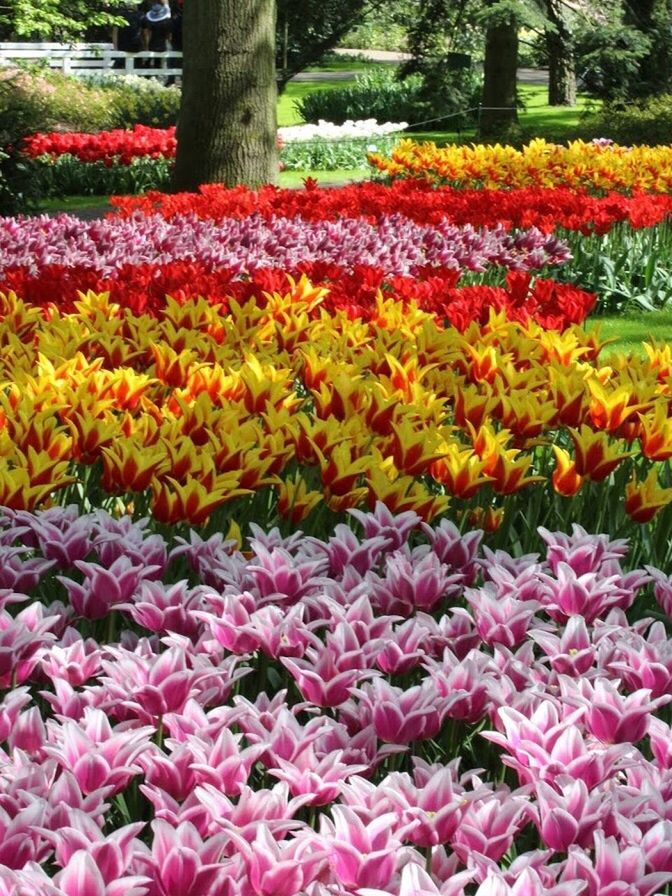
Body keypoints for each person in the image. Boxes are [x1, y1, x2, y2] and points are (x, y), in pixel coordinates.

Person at [111, 2, 144, 70]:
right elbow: (145, 33)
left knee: (118, 69)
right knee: (136, 69)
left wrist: (115, 47)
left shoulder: (119, 16)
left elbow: (115, 33)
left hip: (122, 46)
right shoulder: (141, 16)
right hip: (136, 46)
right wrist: (145, 46)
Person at [142, 1, 173, 71]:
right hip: (162, 44)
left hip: (152, 44)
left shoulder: (150, 24)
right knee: (158, 62)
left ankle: (148, 77)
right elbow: (169, 36)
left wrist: (146, 46)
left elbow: (148, 35)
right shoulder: (167, 23)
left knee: (148, 61)